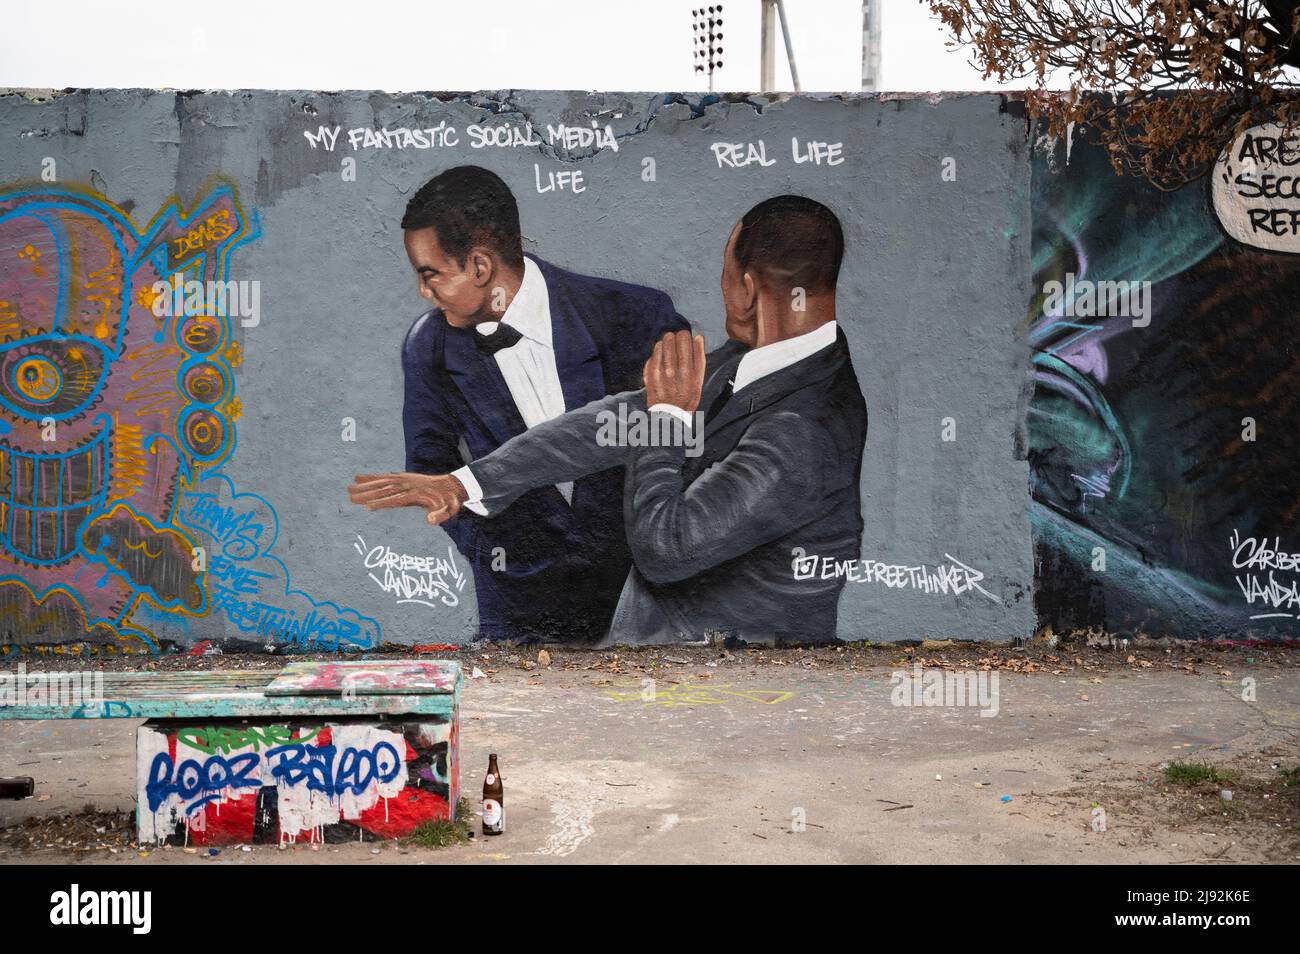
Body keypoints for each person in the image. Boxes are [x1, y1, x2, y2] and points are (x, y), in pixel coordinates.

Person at [352, 195, 866, 645]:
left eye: (727, 276)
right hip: (658, 668)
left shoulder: (803, 429)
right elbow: (611, 426)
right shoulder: (746, 362)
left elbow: (667, 548)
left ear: (749, 289)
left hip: (731, 693)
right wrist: (468, 482)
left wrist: (667, 417)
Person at [365, 165, 688, 642]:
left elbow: (681, 433)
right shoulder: (427, 346)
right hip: (519, 616)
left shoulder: (633, 315)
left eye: (431, 275)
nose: (423, 292)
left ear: (479, 267)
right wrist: (496, 551)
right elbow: (432, 467)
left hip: (641, 611)